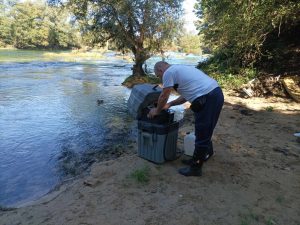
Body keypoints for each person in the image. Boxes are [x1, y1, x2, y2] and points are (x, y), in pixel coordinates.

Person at [148, 61, 224, 177]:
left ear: (160, 70)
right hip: (212, 94)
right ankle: (202, 155)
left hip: (209, 97)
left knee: (203, 130)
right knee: (202, 129)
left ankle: (196, 168)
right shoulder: (179, 69)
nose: (161, 78)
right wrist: (170, 104)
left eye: (159, 76)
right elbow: (185, 96)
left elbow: (164, 95)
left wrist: (157, 110)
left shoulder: (168, 73)